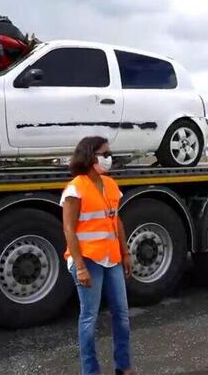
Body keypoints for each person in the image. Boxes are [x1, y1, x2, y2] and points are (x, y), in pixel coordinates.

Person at [61, 136, 134, 375]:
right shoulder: (75, 188)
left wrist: (125, 253)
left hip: (111, 258)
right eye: (104, 153)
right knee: (89, 319)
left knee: (122, 315)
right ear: (91, 157)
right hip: (88, 260)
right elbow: (69, 229)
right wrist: (80, 266)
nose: (109, 157)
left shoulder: (110, 184)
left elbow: (117, 221)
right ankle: (90, 371)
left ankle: (123, 366)